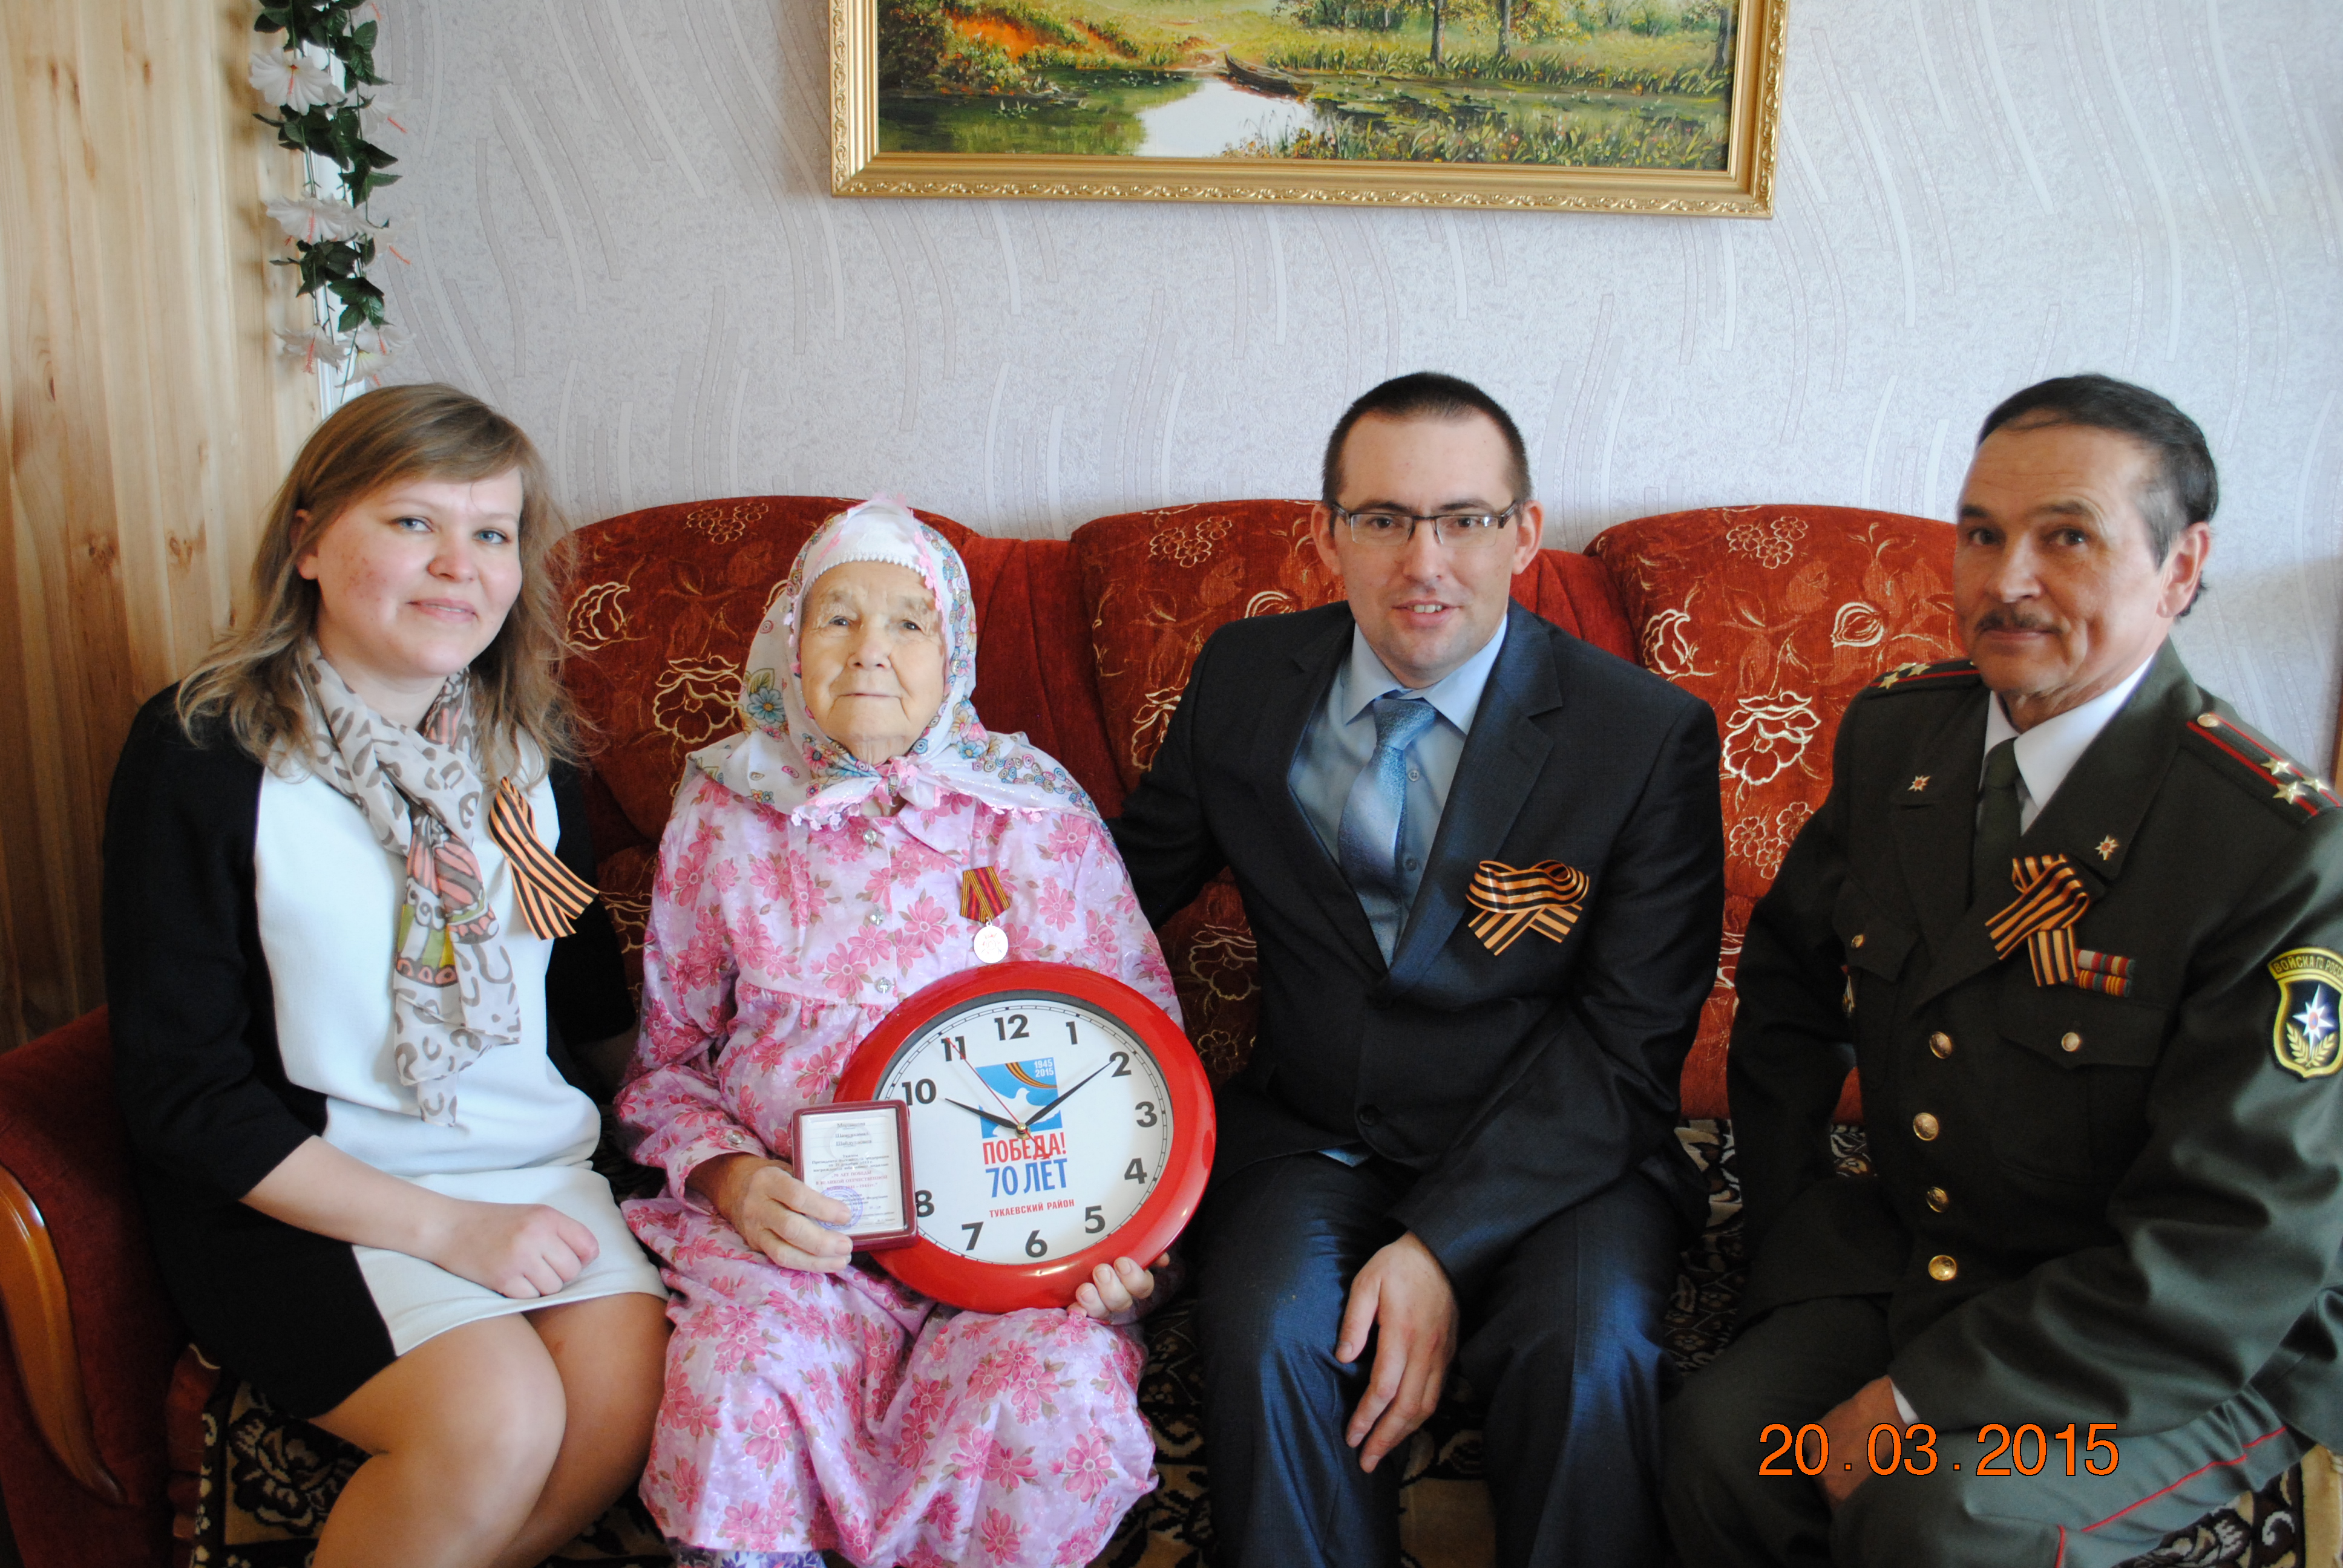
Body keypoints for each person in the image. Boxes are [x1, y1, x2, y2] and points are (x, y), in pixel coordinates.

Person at [1661, 373, 2343, 1566]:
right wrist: (1792, 1222)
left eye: (2067, 537)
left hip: (2175, 1331)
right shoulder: (1900, 737)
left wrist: (1918, 1402)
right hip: (1927, 1258)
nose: (2006, 578)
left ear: (2179, 567)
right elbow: (1786, 985)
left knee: (1940, 1511)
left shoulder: (2273, 848)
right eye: (1981, 533)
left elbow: (2234, 1235)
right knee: (1726, 1446)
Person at [1109, 371, 1726, 1568]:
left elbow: (1631, 1044)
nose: (1424, 562)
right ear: (1327, 534)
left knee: (1588, 1357)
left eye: (1465, 520)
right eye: (1385, 519)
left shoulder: (1641, 736)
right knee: (1266, 1334)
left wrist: (1441, 1242)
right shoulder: (1244, 678)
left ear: (1524, 534)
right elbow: (1113, 896)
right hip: (1315, 1133)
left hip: (1561, 1155)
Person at [103, 384, 670, 1568]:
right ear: (308, 542)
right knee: (496, 1418)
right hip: (309, 1192)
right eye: (414, 522)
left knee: (622, 1407)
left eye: (491, 532)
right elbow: (183, 1093)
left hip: (530, 1165)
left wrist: (704, 1137)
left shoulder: (530, 745)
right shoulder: (202, 751)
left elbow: (587, 1001)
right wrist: (451, 1231)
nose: (459, 565)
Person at [617, 498, 1181, 1568]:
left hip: (1016, 1245)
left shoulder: (1036, 812)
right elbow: (668, 1066)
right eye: (837, 617)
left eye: (908, 622)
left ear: (953, 651)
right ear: (791, 642)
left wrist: (1130, 1243)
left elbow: (1142, 1055)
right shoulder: (723, 811)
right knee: (741, 1373)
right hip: (799, 1246)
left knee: (1049, 1393)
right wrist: (733, 1180)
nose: (870, 648)